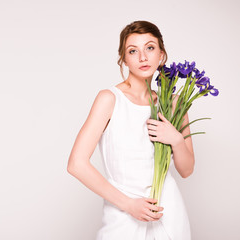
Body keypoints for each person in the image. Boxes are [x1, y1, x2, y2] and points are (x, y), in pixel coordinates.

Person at [67, 20, 194, 240]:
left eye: (150, 48)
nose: (143, 57)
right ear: (123, 59)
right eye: (133, 51)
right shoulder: (109, 99)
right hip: (124, 212)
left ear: (161, 55)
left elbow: (187, 170)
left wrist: (176, 139)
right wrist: (129, 204)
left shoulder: (174, 103)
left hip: (169, 213)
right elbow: (76, 164)